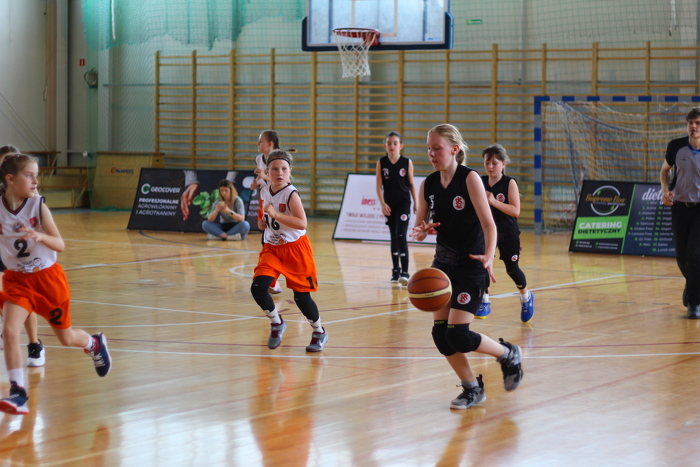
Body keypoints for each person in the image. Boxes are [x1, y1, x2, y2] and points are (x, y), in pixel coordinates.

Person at [411, 124, 523, 410]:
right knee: (441, 335)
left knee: (458, 334)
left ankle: (507, 354)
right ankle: (472, 388)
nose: (431, 153)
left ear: (454, 149)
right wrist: (422, 231)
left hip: (471, 265)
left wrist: (489, 256)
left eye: (437, 148)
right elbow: (420, 227)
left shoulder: (470, 178)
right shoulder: (428, 184)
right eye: (428, 148)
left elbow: (489, 224)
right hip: (442, 266)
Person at [0, 153, 112, 415]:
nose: (35, 181)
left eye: (37, 176)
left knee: (66, 338)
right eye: (29, 175)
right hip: (17, 280)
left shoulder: (38, 206)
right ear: (11, 179)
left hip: (47, 279)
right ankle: (18, 392)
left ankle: (94, 344)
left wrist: (39, 236)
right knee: (10, 331)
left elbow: (60, 245)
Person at [250, 150, 328, 352]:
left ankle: (319, 331)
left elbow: (302, 223)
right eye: (275, 169)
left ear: (290, 171)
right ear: (268, 171)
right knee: (258, 287)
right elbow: (266, 216)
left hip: (295, 249)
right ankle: (277, 323)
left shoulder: (291, 193)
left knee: (301, 298)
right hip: (272, 248)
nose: (279, 173)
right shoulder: (264, 191)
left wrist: (276, 215)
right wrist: (263, 222)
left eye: (284, 169)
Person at [475, 143, 534, 322]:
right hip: (486, 232)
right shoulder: (479, 181)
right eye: (487, 163)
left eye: (494, 163)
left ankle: (526, 297)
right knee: (483, 266)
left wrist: (494, 202)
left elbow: (515, 211)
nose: (490, 167)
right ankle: (484, 300)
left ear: (503, 164)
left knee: (512, 269)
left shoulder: (509, 183)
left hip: (507, 233)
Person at [0, 145, 45, 367]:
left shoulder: (30, 197)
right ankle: (8, 329)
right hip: (4, 248)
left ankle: (34, 343)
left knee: (24, 299)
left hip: (24, 256)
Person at [660, 107, 700, 319]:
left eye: (698, 123)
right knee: (682, 257)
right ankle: (691, 284)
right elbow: (664, 170)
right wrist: (665, 191)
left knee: (694, 256)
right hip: (679, 208)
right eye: (690, 123)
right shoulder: (676, 146)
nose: (693, 126)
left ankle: (694, 302)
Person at [250, 131, 296, 295]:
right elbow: (262, 179)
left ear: (270, 144)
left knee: (281, 242)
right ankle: (271, 279)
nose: (258, 144)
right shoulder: (259, 159)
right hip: (265, 200)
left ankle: (284, 278)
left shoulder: (280, 158)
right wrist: (256, 182)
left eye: (260, 141)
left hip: (280, 201)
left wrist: (265, 176)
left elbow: (285, 181)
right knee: (267, 239)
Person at [375, 131, 418, 285]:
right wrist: (382, 203)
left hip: (404, 203)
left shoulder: (406, 162)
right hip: (389, 204)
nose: (392, 146)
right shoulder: (381, 162)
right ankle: (395, 271)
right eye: (389, 143)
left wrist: (416, 203)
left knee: (401, 235)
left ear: (401, 146)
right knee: (393, 236)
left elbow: (411, 184)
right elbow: (378, 186)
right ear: (385, 146)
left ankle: (405, 272)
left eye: (395, 143)